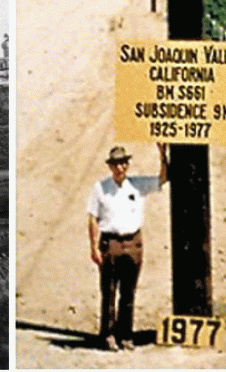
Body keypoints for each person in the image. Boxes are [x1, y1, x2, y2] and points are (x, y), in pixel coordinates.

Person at [86, 143, 169, 351]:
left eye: (123, 163)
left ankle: (126, 335)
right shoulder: (100, 188)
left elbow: (163, 179)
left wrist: (162, 155)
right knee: (109, 291)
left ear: (128, 165)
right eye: (115, 164)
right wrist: (94, 247)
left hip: (133, 242)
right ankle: (107, 334)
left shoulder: (137, 185)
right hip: (110, 243)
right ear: (110, 166)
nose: (120, 168)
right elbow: (92, 218)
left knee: (129, 292)